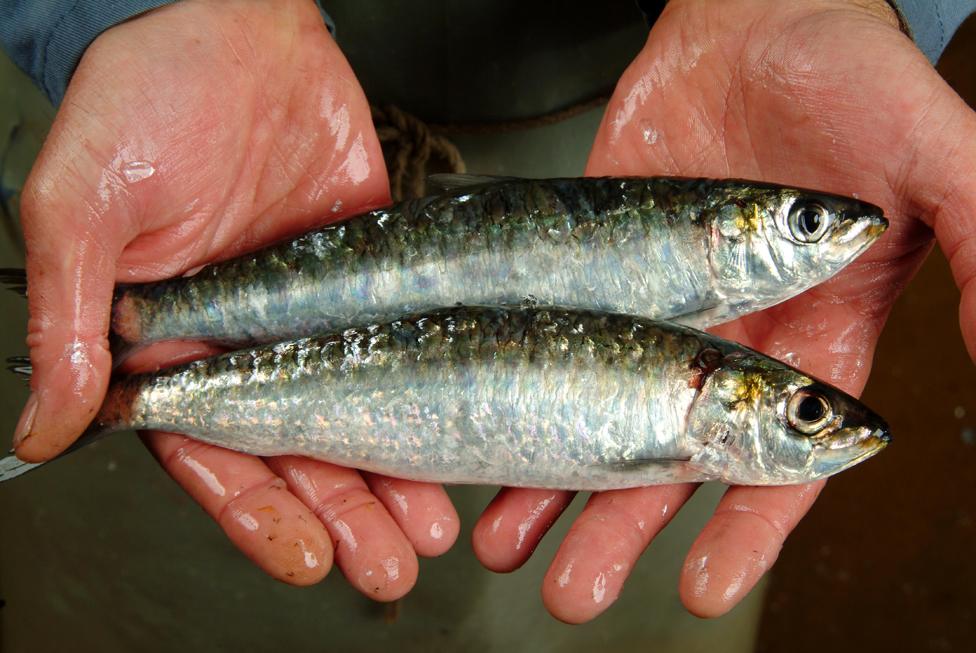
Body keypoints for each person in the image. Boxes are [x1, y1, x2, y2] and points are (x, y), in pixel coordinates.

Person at [1, 0, 974, 624]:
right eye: (801, 221)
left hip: (631, 110)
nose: (824, 236)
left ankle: (132, 378)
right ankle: (129, 368)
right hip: (235, 168)